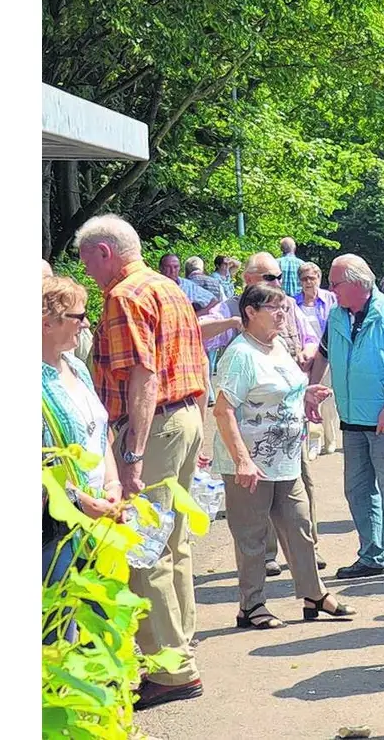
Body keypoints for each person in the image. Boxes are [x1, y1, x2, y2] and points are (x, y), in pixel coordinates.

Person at [76, 214, 209, 709]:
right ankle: (180, 649)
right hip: (186, 418)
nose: (87, 272)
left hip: (152, 428)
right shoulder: (169, 288)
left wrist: (131, 451)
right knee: (172, 545)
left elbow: (143, 376)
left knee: (143, 550)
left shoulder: (124, 295)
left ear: (104, 252)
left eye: (87, 260)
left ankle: (171, 669)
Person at [211, 282, 356, 629]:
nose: (282, 315)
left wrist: (306, 395)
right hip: (250, 463)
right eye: (274, 309)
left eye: (284, 309)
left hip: (286, 459)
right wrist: (243, 460)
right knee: (252, 536)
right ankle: (251, 605)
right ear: (250, 312)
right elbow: (223, 410)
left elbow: (277, 390)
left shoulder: (274, 346)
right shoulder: (240, 355)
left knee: (300, 525)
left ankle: (314, 594)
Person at [200, 253, 326, 574]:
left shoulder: (286, 304)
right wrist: (232, 323)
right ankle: (266, 557)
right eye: (270, 277)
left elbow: (310, 336)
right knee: (257, 493)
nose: (278, 283)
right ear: (248, 280)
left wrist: (308, 350)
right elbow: (195, 332)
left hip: (288, 417)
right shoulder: (230, 307)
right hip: (250, 425)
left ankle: (306, 550)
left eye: (279, 277)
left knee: (301, 483)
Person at [305, 254, 384, 585]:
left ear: (356, 284)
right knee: (357, 490)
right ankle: (371, 555)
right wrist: (312, 389)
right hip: (352, 419)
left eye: (335, 283)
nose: (330, 288)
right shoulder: (338, 316)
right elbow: (323, 354)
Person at [42, 274, 122, 644]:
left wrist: (112, 482)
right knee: (57, 634)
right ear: (47, 321)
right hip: (54, 527)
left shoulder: (76, 367)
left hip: (96, 519)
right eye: (78, 316)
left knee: (98, 624)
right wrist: (79, 500)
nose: (86, 323)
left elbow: (100, 429)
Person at [293, 262, 342, 455]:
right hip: (304, 360)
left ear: (319, 279)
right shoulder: (293, 303)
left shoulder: (331, 299)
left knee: (328, 402)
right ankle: (314, 440)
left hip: (328, 357)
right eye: (304, 279)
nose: (308, 282)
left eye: (311, 278)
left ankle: (330, 438)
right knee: (309, 398)